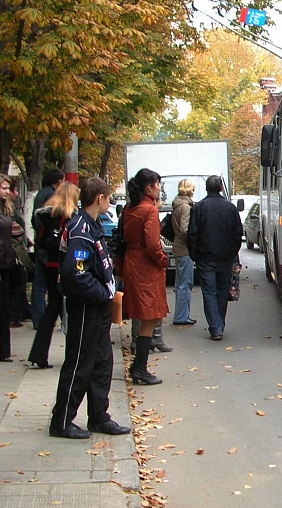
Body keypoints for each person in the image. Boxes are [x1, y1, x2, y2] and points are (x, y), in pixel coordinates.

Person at [49, 177, 129, 439]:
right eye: (108, 198)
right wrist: (101, 293)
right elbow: (76, 274)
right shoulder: (81, 229)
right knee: (79, 364)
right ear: (100, 199)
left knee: (102, 362)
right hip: (86, 307)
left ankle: (99, 416)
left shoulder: (92, 226)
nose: (109, 203)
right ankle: (61, 421)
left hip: (98, 307)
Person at [119, 168, 168, 385]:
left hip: (132, 262)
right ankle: (139, 368)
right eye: (158, 185)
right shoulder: (149, 210)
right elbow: (152, 243)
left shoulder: (130, 208)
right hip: (145, 267)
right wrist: (162, 260)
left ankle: (138, 366)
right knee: (150, 315)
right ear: (149, 187)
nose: (159, 188)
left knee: (147, 314)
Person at [27, 181, 80, 369]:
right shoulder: (71, 218)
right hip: (65, 267)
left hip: (50, 265)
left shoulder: (47, 216)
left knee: (52, 308)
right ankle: (74, 355)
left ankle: (38, 353)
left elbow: (40, 241)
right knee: (71, 310)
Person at [187, 175, 242, 341]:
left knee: (209, 292)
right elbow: (238, 233)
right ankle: (219, 325)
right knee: (222, 291)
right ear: (220, 188)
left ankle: (215, 326)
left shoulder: (199, 208)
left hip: (205, 257)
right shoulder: (230, 208)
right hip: (225, 257)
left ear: (206, 188)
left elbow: (192, 234)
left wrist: (194, 254)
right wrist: (232, 252)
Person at [31, 168, 65, 330]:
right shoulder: (52, 196)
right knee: (53, 286)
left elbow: (34, 220)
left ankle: (38, 317)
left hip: (41, 242)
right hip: (50, 247)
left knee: (39, 283)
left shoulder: (39, 194)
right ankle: (56, 319)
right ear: (58, 181)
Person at [171, 179, 196, 326]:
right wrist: (194, 239)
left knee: (180, 283)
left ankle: (181, 314)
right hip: (184, 248)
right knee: (185, 284)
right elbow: (184, 229)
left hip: (177, 247)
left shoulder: (177, 204)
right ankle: (182, 316)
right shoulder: (186, 207)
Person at [8, 177, 32, 327]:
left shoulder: (10, 207)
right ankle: (15, 314)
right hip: (12, 250)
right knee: (19, 280)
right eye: (14, 190)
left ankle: (21, 311)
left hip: (15, 248)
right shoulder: (7, 210)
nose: (16, 194)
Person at [0, 174, 16, 362]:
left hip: (5, 264)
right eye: (4, 188)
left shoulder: (6, 210)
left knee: (4, 308)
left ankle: (4, 351)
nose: (7, 191)